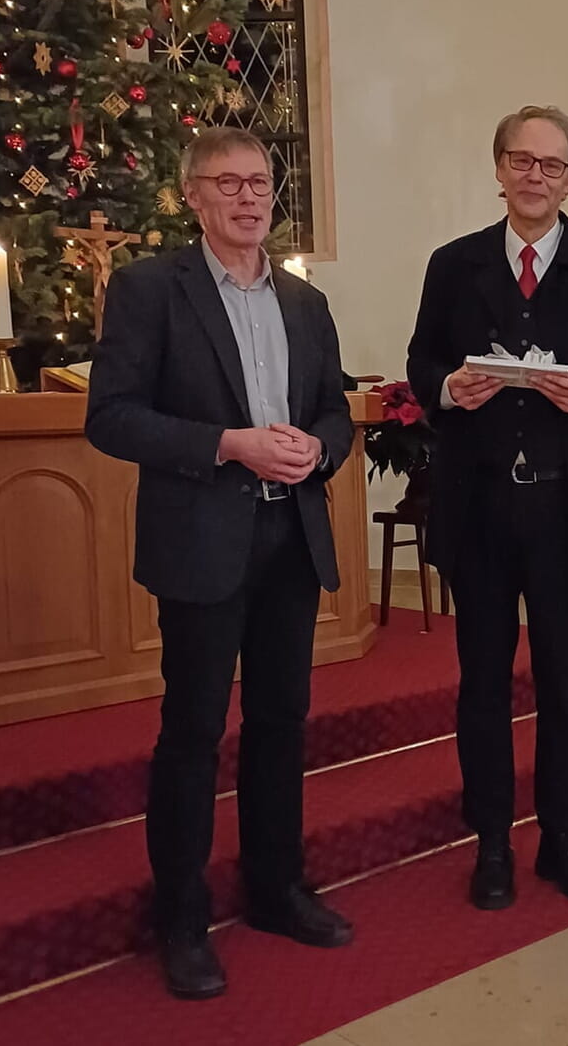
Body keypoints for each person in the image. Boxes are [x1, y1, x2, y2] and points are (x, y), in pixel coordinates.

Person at [86, 126, 354, 999]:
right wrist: (229, 445)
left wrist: (317, 449)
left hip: (290, 540)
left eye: (260, 183)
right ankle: (184, 919)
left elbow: (335, 413)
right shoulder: (149, 289)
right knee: (195, 733)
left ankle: (277, 889)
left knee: (282, 725)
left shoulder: (305, 305)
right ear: (192, 197)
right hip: (202, 542)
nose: (248, 198)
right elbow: (113, 417)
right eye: (227, 184)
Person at [406, 105, 568, 911]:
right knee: (481, 682)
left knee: (566, 683)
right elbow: (421, 359)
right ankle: (491, 842)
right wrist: (448, 387)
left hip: (565, 513)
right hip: (477, 511)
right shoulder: (454, 263)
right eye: (521, 160)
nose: (535, 176)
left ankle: (564, 837)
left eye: (553, 165)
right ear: (499, 168)